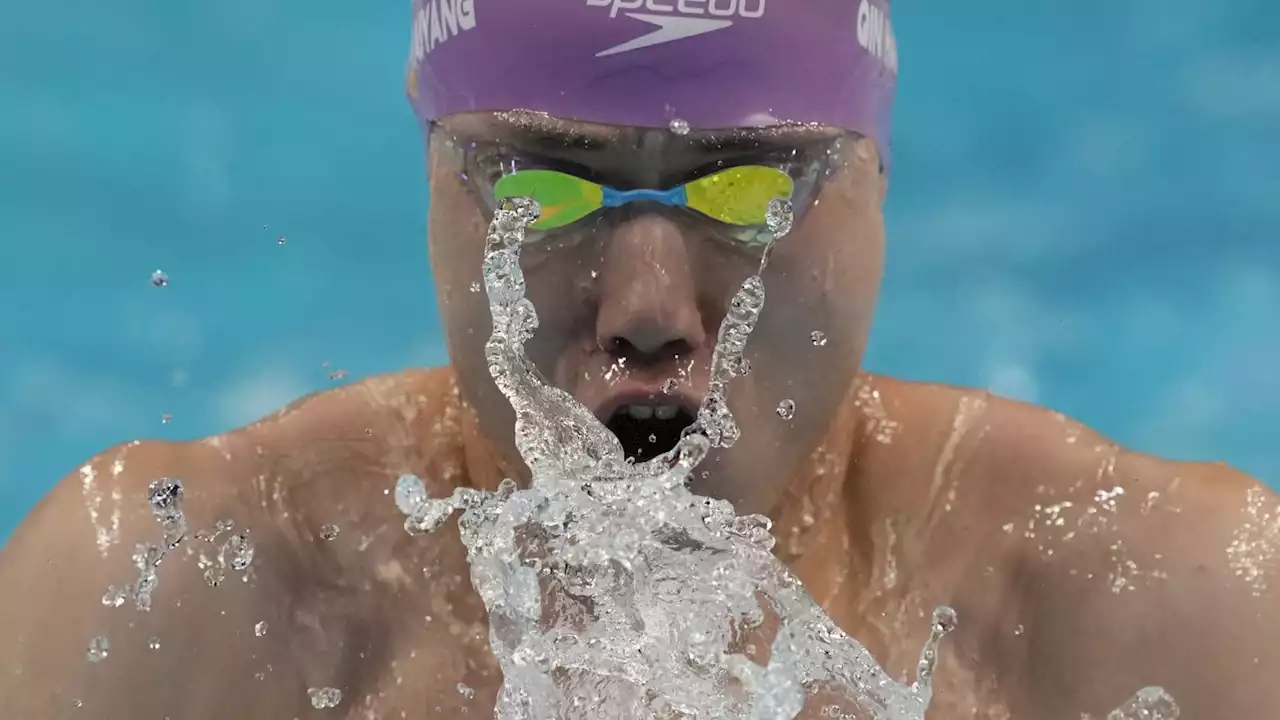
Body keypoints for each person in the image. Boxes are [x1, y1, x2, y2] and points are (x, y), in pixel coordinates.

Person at [1, 2, 1276, 718]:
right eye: (546, 191)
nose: (648, 313)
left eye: (744, 191)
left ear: (877, 187)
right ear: (438, 190)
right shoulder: (175, 607)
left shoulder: (1171, 617)